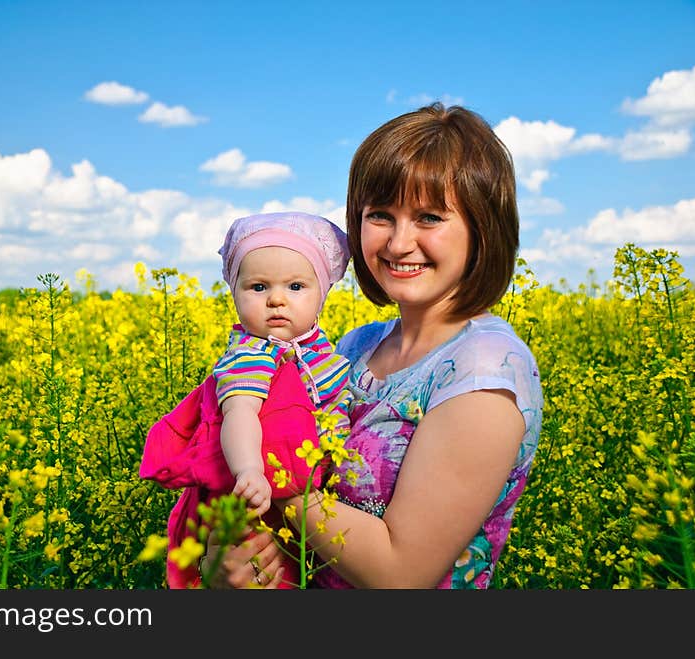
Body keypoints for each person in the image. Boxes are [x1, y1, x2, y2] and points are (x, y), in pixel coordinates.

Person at [204, 102, 544, 589]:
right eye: (380, 215)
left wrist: (276, 480)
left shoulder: (483, 369)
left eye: (429, 217)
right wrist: (233, 563)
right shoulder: (357, 346)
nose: (400, 242)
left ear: (482, 229)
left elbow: (400, 574)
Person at [140, 211, 353, 588]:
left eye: (296, 287)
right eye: (258, 287)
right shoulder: (251, 355)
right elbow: (240, 412)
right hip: (257, 498)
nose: (276, 300)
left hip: (310, 512)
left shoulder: (325, 356)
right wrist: (249, 471)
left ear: (324, 292)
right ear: (233, 292)